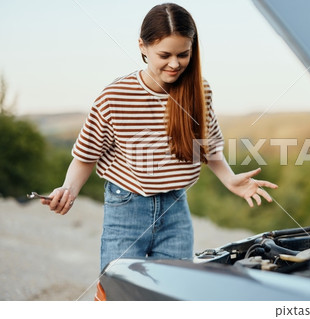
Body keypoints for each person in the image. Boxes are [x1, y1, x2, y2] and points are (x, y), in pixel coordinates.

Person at [41, 3, 277, 278]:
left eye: (183, 54)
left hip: (176, 208)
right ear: (142, 46)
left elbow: (208, 148)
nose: (175, 63)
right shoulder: (114, 97)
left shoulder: (200, 91)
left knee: (173, 292)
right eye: (164, 55)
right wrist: (68, 191)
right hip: (126, 207)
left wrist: (229, 179)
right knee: (122, 291)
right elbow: (85, 157)